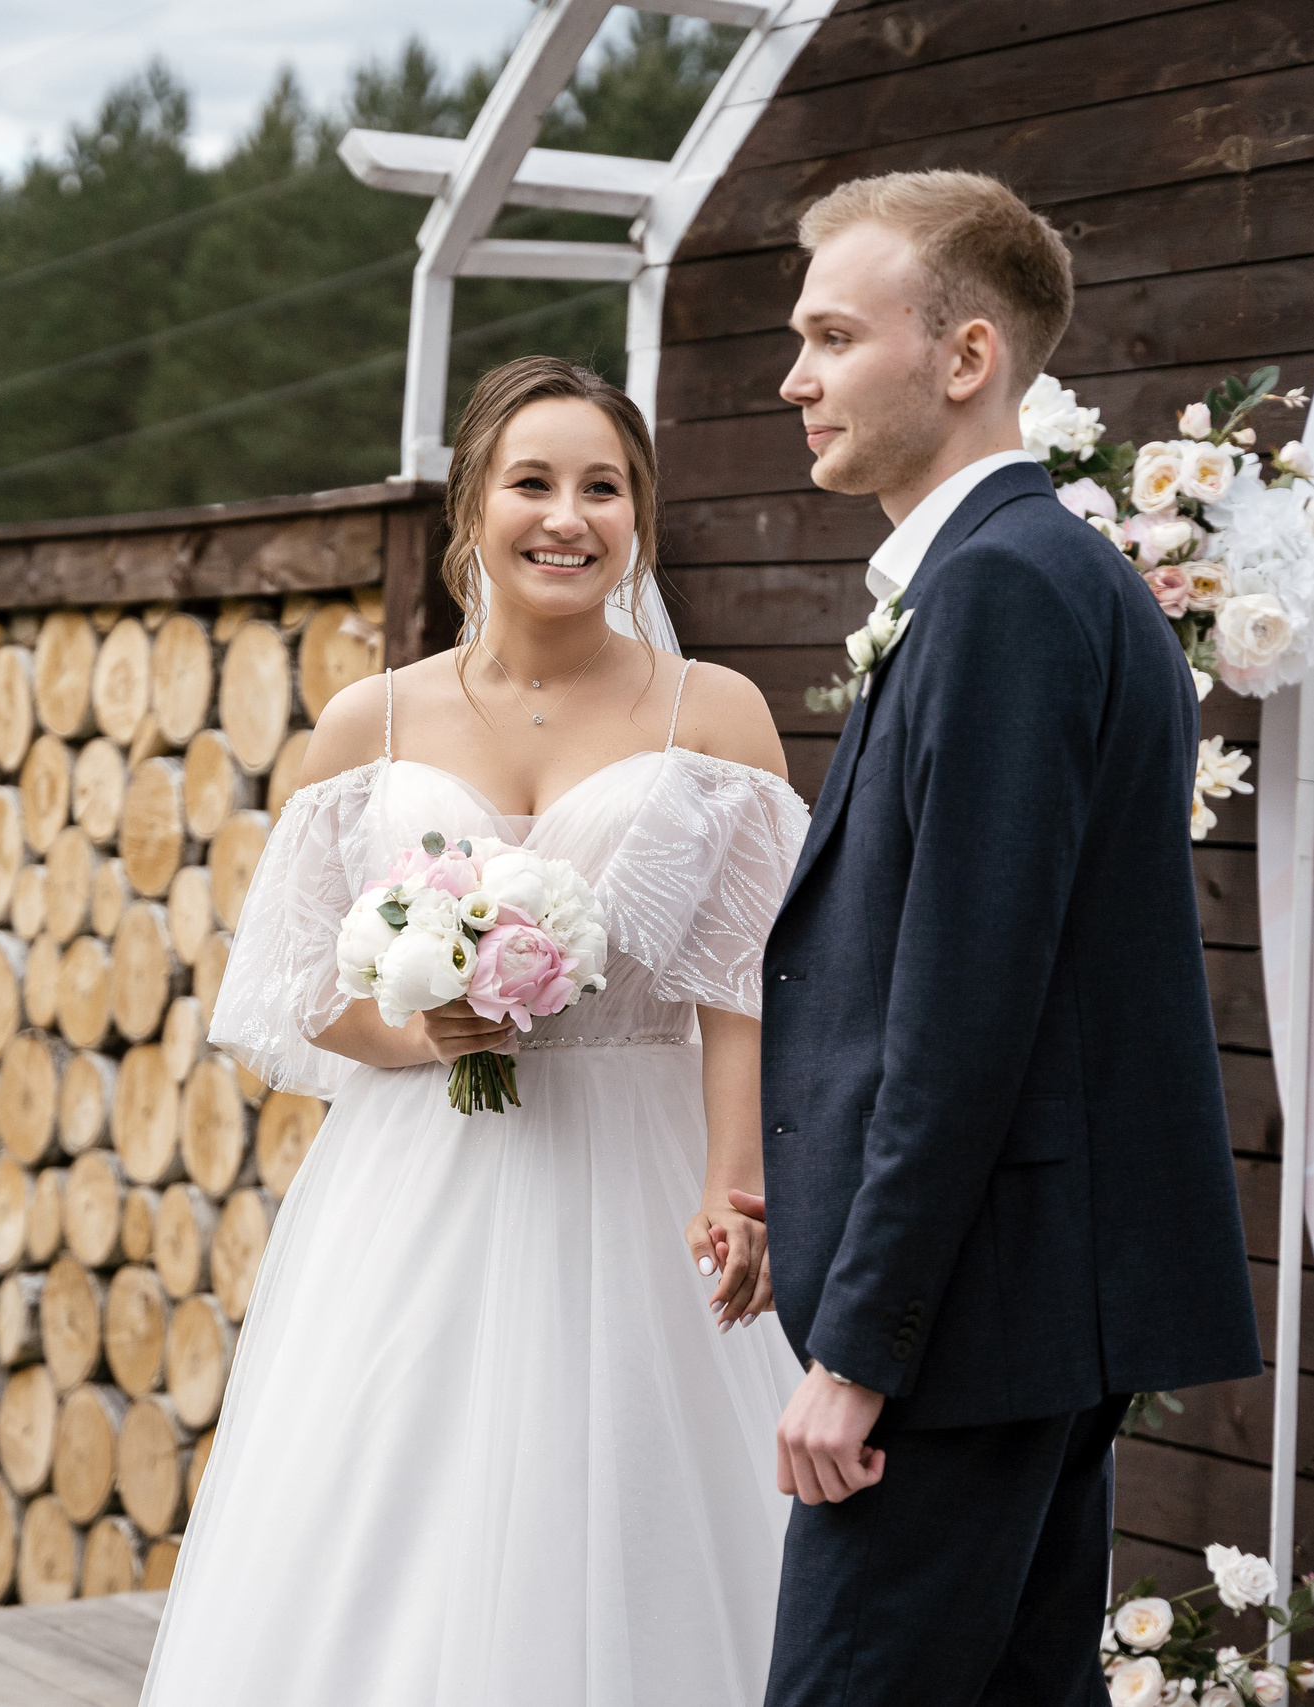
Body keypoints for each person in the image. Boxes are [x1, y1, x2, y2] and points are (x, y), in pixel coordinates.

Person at [139, 355, 810, 1705]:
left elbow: (746, 981)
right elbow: (287, 991)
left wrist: (737, 1186)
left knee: (635, 1501)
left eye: (603, 488)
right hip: (420, 1182)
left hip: (640, 1163)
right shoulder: (370, 720)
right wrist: (424, 1027)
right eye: (534, 483)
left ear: (640, 519)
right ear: (472, 509)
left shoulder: (714, 713)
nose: (569, 518)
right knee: (397, 1510)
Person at [746, 171, 1266, 1706]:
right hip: (1031, 1306)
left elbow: (968, 1009)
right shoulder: (1061, 579)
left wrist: (863, 1352)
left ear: (966, 359)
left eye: (835, 337)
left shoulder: (1001, 597)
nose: (795, 379)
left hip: (967, 1325)